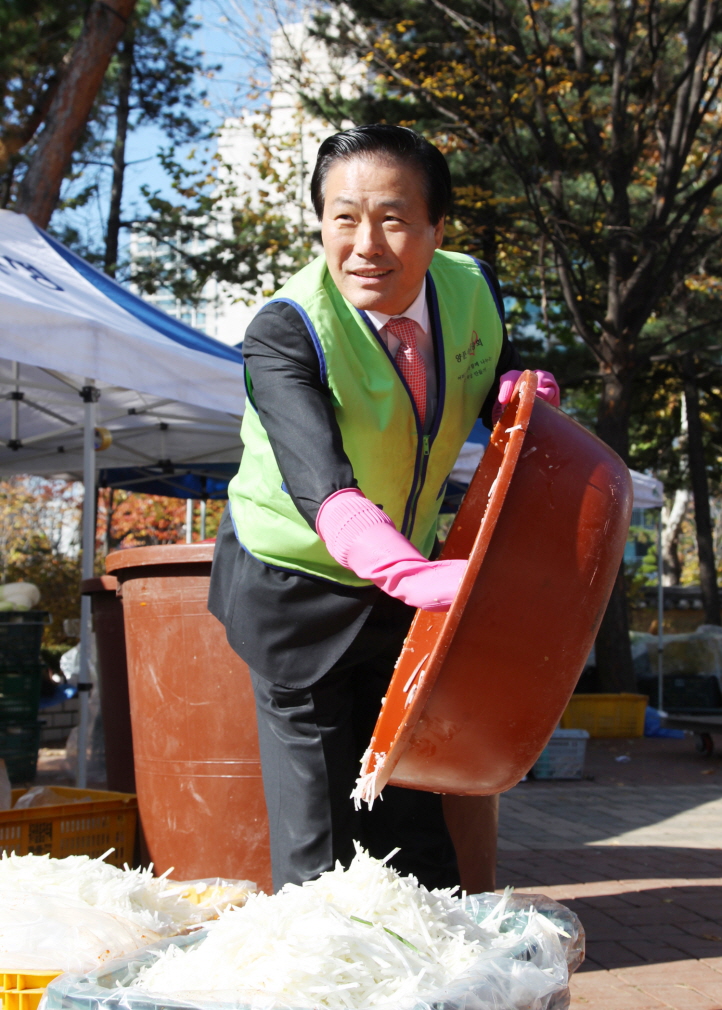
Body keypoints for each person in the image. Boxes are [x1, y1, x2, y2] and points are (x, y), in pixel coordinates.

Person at [209, 124, 559, 892]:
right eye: (343, 218)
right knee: (322, 832)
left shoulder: (474, 287)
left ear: (436, 229)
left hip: (399, 584)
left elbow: (495, 362)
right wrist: (411, 574)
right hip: (292, 588)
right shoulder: (286, 330)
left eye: (394, 218)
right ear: (321, 224)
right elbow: (325, 489)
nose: (366, 244)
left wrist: (515, 389)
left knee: (408, 810)